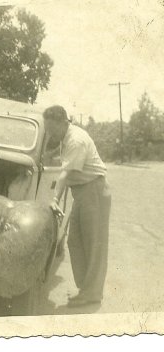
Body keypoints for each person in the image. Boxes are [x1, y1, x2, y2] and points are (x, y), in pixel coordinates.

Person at [43, 105, 111, 307]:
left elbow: (66, 173)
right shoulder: (65, 137)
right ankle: (86, 289)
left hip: (94, 191)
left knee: (93, 243)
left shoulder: (76, 140)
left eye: (52, 129)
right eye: (47, 129)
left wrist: (54, 199)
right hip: (83, 192)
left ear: (63, 122)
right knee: (75, 241)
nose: (50, 133)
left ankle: (91, 293)